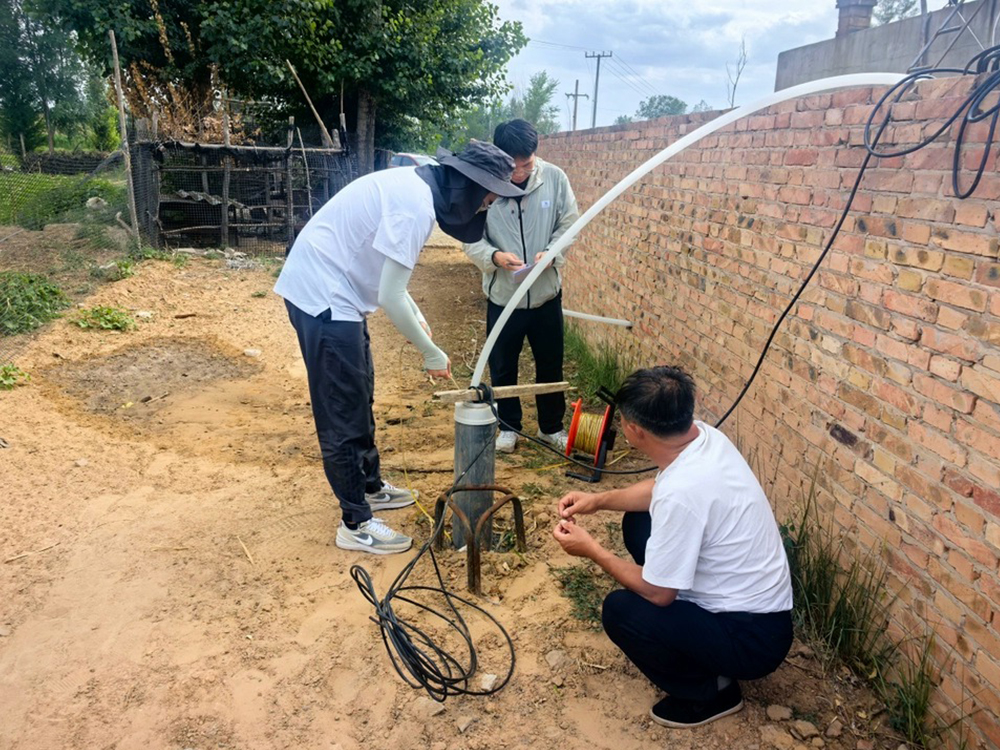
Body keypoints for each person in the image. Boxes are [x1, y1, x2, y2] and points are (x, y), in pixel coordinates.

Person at [275, 142, 524, 556]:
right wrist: (429, 351)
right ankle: (355, 522)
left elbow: (394, 285)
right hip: (323, 295)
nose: (485, 208)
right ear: (467, 186)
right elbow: (391, 295)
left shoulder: (417, 189)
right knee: (342, 406)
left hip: (342, 295)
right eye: (487, 199)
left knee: (360, 390)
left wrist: (419, 314)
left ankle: (369, 487)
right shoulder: (414, 206)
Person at [552, 366, 793, 728]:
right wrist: (598, 500)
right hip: (760, 613)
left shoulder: (684, 493)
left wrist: (592, 549)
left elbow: (658, 592)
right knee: (639, 520)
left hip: (752, 640)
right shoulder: (704, 438)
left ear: (635, 430)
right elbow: (659, 491)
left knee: (621, 611)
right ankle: (697, 643)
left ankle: (710, 693)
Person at [463, 119, 580, 454]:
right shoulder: (482, 185)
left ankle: (551, 427)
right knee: (502, 364)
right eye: (513, 166)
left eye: (526, 164)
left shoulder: (554, 178)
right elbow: (469, 239)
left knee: (550, 362)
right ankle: (508, 427)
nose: (519, 172)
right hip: (503, 296)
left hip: (545, 295)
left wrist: (552, 252)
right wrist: (496, 256)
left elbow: (570, 223)